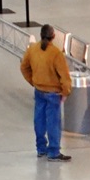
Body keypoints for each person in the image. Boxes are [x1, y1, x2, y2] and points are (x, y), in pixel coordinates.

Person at [20, 23, 73, 161]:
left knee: (39, 120)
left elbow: (24, 67)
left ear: (41, 35)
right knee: (53, 123)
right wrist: (65, 92)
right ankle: (53, 152)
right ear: (53, 36)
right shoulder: (56, 54)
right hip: (53, 94)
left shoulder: (32, 49)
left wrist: (33, 81)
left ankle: (41, 149)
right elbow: (65, 76)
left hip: (39, 91)